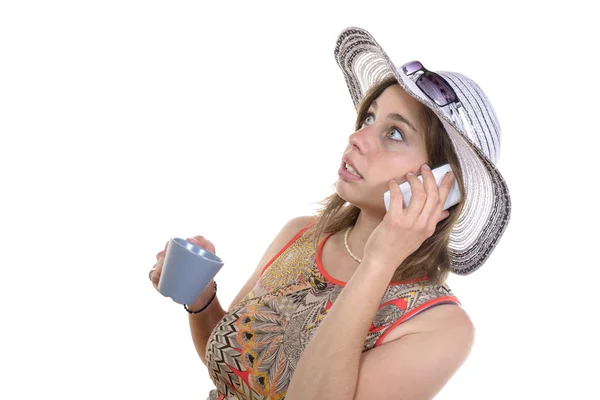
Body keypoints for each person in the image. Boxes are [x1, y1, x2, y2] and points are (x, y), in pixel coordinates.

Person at [149, 26, 511, 400]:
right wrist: (201, 297)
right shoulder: (301, 235)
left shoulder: (441, 326)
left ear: (443, 185)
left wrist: (380, 261)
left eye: (396, 134)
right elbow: (235, 371)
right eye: (369, 118)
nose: (358, 137)